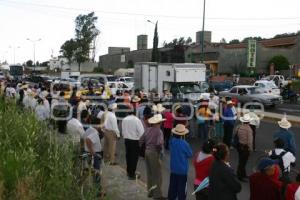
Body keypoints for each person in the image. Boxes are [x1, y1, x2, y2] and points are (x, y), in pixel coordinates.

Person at [139, 114, 166, 200]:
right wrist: (158, 151)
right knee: (157, 175)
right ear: (158, 123)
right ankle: (157, 195)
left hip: (147, 151)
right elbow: (159, 143)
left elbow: (141, 140)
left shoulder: (147, 130)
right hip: (154, 152)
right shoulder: (159, 131)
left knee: (149, 173)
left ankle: (150, 192)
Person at [168, 124, 193, 200]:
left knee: (172, 187)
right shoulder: (185, 144)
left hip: (173, 168)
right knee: (182, 188)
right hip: (182, 170)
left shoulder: (171, 142)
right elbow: (190, 154)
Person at [122, 110, 144, 180]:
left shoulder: (124, 119)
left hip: (126, 140)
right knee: (134, 158)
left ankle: (129, 171)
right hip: (134, 141)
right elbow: (142, 132)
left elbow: (123, 130)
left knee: (128, 156)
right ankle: (132, 174)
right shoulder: (137, 120)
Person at [235, 114, 253, 182]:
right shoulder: (249, 129)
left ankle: (243, 173)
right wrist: (250, 149)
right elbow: (250, 141)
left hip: (239, 145)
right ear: (248, 122)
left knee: (241, 160)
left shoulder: (239, 127)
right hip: (245, 147)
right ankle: (240, 175)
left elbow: (234, 134)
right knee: (243, 162)